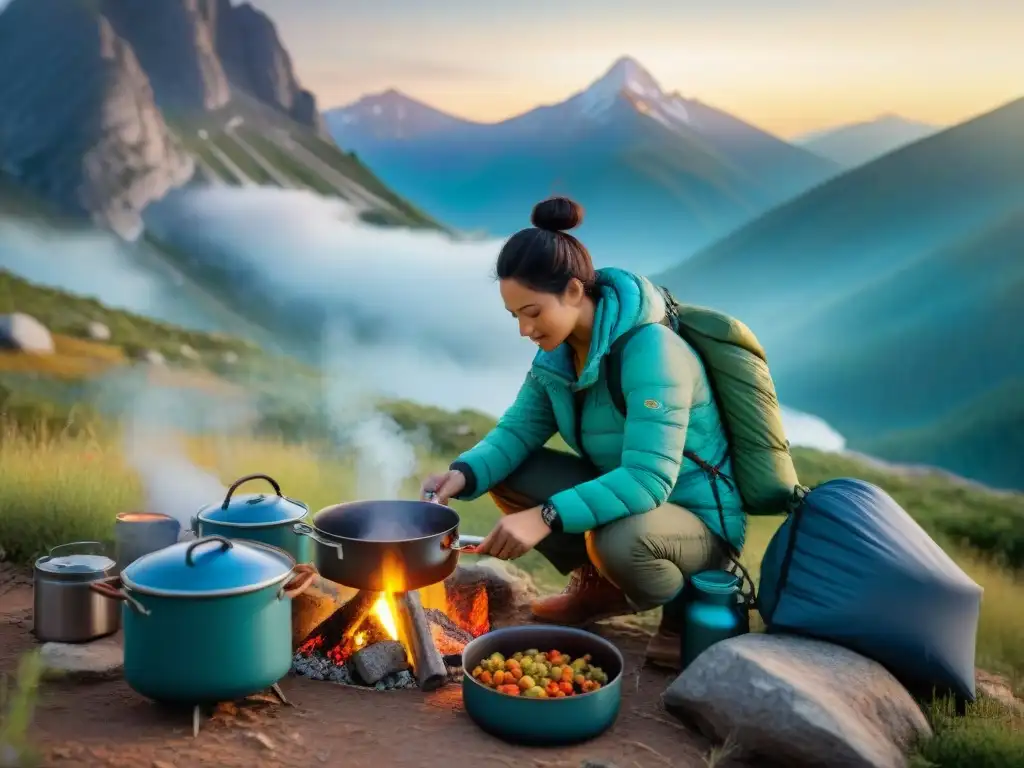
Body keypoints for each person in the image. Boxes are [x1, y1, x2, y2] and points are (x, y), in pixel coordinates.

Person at [419, 196, 745, 669]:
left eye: (532, 312)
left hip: (694, 524)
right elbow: (517, 431)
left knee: (619, 540)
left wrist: (544, 516)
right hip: (627, 503)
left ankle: (683, 609)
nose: (524, 329)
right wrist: (463, 475)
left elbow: (649, 480)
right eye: (515, 317)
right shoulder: (557, 355)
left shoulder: (652, 350)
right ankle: (597, 585)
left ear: (574, 291)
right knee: (506, 472)